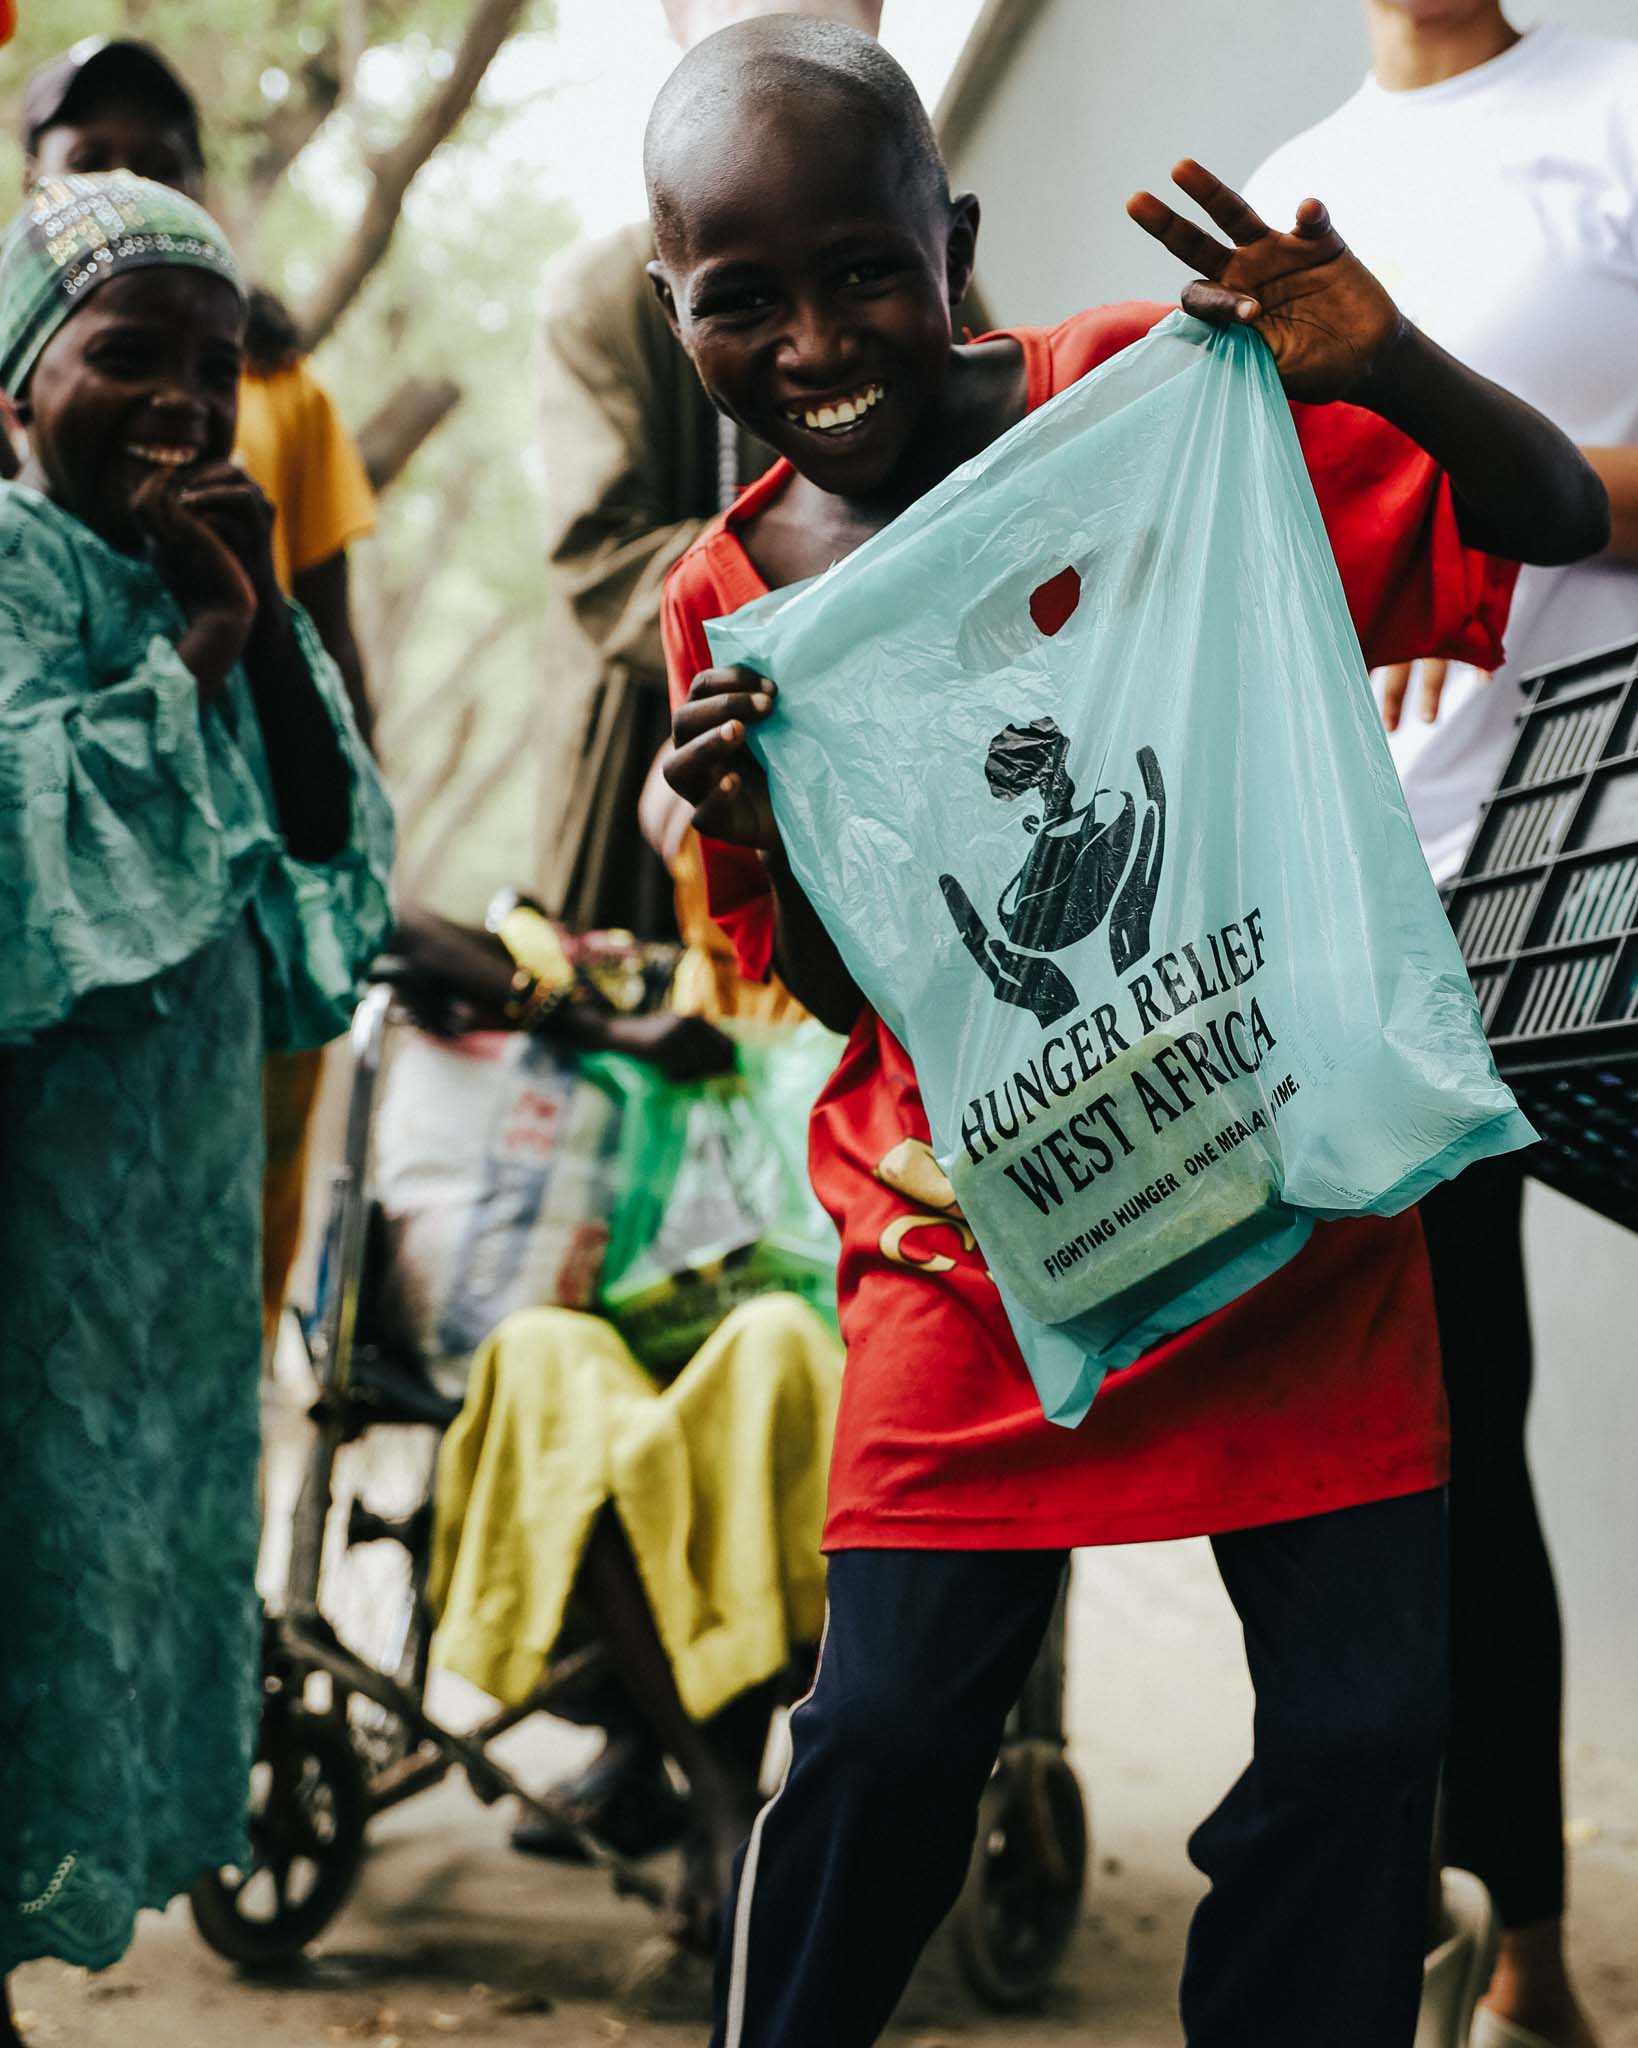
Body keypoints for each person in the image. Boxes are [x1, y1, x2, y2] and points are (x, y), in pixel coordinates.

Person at [649, 19, 1608, 2047]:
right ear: (674, 321)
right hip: (978, 1241)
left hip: (1292, 1187)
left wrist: (1393, 360)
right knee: (888, 1737)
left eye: (864, 271)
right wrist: (769, 826)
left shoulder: (1152, 411)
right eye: (742, 301)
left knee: (1366, 1743)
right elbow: (854, 990)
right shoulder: (731, 608)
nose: (816, 338)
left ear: (954, 239)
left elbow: (1525, 514)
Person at [1243, 12, 1638, 2045]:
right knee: (1451, 1423)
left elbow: (1528, 496)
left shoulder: (1618, 103)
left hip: (1623, 850)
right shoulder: (1293, 173)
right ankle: (1516, 1936)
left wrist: (1471, 516)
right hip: (1405, 900)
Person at [0, 172, 393, 2041]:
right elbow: (23, 861)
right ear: (15, 384)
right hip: (25, 1243)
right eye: (124, 355)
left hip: (163, 1258)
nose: (177, 403)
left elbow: (325, 852)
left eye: (214, 370)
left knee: (114, 1597)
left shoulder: (214, 583)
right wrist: (203, 654)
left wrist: (250, 616)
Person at [384, 903, 844, 1951]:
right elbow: (404, 927)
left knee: (769, 1338)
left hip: (802, 1341)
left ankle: (721, 1787)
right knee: (535, 1354)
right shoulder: (623, 971)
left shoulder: (866, 973)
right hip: (633, 1336)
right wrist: (603, 1025)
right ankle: (718, 1781)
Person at [21, 36, 383, 1352]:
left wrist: (248, 625)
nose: (179, 403)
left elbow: (329, 658)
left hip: (228, 953)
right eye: (88, 160)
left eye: (158, 163)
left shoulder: (277, 390)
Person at [533, 0, 992, 943]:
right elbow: (602, 558)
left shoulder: (918, 265)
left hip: (925, 740)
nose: (817, 345)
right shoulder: (601, 299)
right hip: (681, 748)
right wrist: (782, 622)